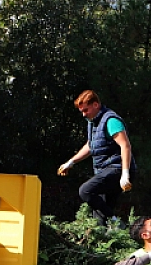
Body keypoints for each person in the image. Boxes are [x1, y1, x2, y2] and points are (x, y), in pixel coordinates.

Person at [57, 90, 134, 226]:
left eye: (86, 110)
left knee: (85, 190)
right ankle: (108, 235)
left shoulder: (111, 121)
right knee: (99, 217)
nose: (83, 114)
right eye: (81, 111)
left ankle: (116, 223)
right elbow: (91, 145)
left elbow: (125, 145)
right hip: (104, 170)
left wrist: (125, 174)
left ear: (96, 105)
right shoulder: (93, 122)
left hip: (117, 169)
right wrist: (71, 162)